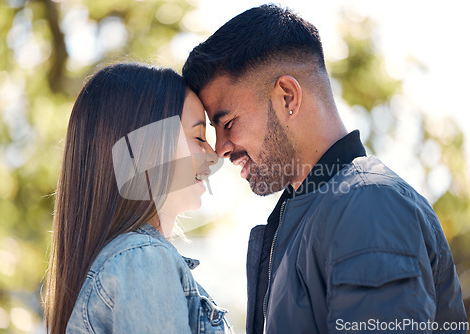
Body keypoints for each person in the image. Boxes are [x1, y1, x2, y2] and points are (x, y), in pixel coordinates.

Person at [183, 4, 467, 334]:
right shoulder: (313, 213)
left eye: (228, 122)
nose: (220, 149)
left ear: (287, 96)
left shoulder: (368, 205)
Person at [44, 63, 233, 333]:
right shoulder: (143, 259)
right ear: (147, 149)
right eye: (198, 136)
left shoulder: (128, 261)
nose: (213, 156)